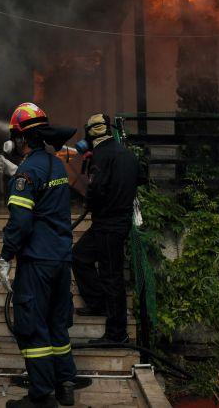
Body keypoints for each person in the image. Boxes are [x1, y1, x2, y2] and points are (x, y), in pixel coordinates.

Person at [0, 102, 79, 408]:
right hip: (61, 258)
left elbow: (20, 221)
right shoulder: (56, 164)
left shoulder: (28, 171)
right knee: (57, 322)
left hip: (37, 261)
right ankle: (65, 383)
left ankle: (41, 395)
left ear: (20, 139)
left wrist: (5, 256)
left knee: (32, 326)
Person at [71, 113, 138, 344]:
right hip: (113, 222)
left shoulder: (101, 155)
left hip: (108, 225)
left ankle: (116, 334)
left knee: (112, 277)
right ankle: (97, 303)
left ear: (90, 133)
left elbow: (96, 189)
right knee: (79, 255)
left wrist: (89, 200)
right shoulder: (125, 153)